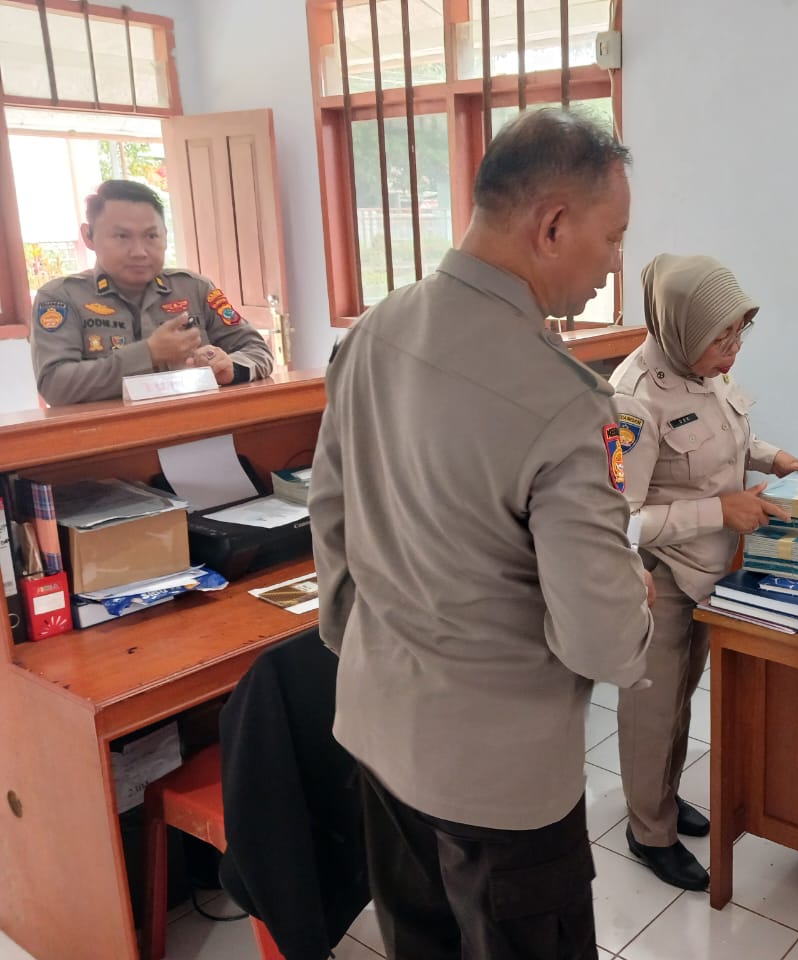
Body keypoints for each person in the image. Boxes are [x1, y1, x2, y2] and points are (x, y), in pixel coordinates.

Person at [310, 109, 653, 960]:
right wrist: (634, 598)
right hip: (499, 785)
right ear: (552, 225)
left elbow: (331, 517)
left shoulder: (374, 331)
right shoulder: (567, 405)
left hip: (380, 729)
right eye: (613, 239)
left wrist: (365, 652)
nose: (615, 264)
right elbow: (601, 642)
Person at [609, 253, 798, 890]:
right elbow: (618, 521)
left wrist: (773, 458)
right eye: (720, 340)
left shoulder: (703, 370)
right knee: (651, 711)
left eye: (738, 335)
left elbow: (723, 436)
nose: (733, 351)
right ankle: (649, 831)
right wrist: (720, 510)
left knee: (680, 701)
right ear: (681, 330)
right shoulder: (631, 402)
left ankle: (662, 798)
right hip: (658, 579)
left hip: (708, 573)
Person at [29, 179, 274, 406]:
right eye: (122, 236)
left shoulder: (194, 288)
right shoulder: (61, 297)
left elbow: (258, 350)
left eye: (151, 236)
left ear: (165, 236)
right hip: (111, 436)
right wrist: (148, 354)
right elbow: (55, 384)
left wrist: (231, 368)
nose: (139, 251)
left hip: (199, 428)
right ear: (88, 236)